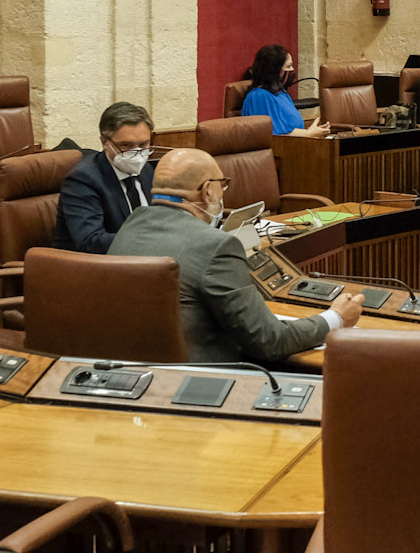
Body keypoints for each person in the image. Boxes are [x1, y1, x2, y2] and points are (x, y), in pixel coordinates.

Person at [108, 149, 361, 363]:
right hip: (202, 383)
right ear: (207, 191)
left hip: (131, 376)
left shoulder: (132, 225)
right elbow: (270, 340)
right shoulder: (218, 246)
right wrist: (335, 318)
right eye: (222, 184)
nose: (223, 192)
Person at [55, 102, 158, 255]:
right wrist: (151, 242)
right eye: (126, 145)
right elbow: (90, 241)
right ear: (104, 142)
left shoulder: (146, 169)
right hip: (95, 268)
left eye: (143, 145)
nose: (136, 154)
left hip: (145, 262)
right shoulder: (83, 180)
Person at [240, 44, 329, 137]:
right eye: (288, 66)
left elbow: (290, 128)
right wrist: (309, 133)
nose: (292, 70)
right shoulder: (259, 96)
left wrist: (312, 131)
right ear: (275, 71)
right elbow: (274, 134)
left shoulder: (281, 93)